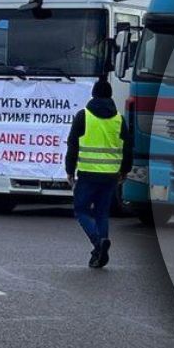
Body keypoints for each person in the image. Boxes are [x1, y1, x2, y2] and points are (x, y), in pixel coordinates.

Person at [65, 78, 132, 268]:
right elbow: (128, 148)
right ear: (110, 96)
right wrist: (125, 170)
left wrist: (69, 170)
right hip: (111, 175)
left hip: (88, 174)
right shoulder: (119, 119)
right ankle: (99, 249)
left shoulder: (83, 116)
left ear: (93, 94)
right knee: (102, 213)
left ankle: (98, 241)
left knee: (82, 210)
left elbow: (73, 145)